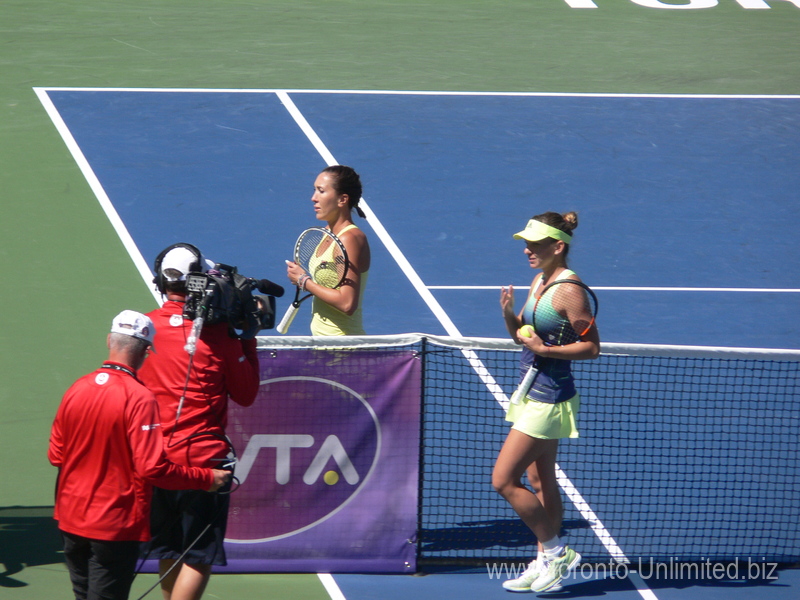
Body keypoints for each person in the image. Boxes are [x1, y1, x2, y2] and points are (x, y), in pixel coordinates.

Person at [48, 310, 230, 600]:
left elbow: (56, 455)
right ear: (146, 352)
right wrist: (205, 478)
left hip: (70, 521)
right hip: (114, 526)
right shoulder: (140, 398)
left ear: (110, 340)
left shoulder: (76, 389)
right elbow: (152, 468)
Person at [138, 243, 260, 600]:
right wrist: (247, 340)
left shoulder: (144, 330)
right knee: (197, 556)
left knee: (169, 550)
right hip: (204, 464)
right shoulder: (219, 337)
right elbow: (247, 394)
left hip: (157, 462)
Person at [493, 211, 600, 593]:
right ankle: (544, 564)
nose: (527, 250)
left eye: (536, 244)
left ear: (558, 246)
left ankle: (556, 552)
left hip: (549, 399)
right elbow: (523, 335)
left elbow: (592, 347)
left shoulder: (569, 290)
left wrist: (547, 350)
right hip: (530, 390)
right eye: (526, 243)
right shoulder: (540, 280)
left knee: (503, 480)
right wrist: (509, 316)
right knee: (540, 479)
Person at [286, 165, 371, 335]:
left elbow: (347, 304)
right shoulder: (327, 233)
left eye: (321, 191)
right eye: (314, 190)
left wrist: (304, 281)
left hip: (343, 350)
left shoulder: (349, 239)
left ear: (342, 200)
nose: (313, 198)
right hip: (324, 346)